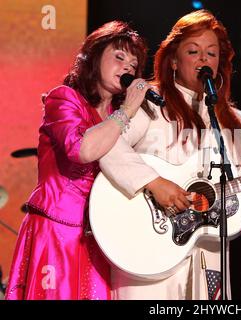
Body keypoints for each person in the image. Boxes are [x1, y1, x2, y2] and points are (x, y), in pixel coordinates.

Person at [99, 9, 241, 300]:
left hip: (208, 247)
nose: (204, 59)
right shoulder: (150, 104)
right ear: (172, 60)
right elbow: (107, 145)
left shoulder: (235, 121)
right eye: (193, 51)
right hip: (148, 243)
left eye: (212, 53)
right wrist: (154, 183)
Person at [5, 21, 152, 299]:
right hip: (57, 230)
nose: (127, 69)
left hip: (100, 235)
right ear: (94, 58)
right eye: (119, 57)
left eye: (133, 65)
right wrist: (128, 110)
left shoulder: (122, 118)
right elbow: (81, 150)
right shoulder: (64, 99)